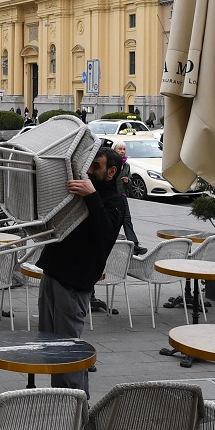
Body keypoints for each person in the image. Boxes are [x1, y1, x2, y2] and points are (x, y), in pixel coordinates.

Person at [36, 148, 125, 394]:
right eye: (89, 165)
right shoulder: (81, 194)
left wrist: (91, 196)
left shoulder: (114, 201)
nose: (89, 170)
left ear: (111, 172)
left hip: (74, 283)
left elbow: (104, 233)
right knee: (50, 348)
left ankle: (78, 404)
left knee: (69, 350)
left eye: (96, 166)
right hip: (52, 274)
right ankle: (59, 399)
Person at [111, 143, 144, 254]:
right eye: (119, 149)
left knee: (127, 220)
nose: (122, 151)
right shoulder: (110, 163)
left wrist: (128, 181)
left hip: (122, 196)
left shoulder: (126, 165)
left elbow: (130, 182)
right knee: (114, 221)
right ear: (114, 150)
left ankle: (134, 245)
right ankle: (108, 242)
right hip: (111, 196)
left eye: (124, 149)